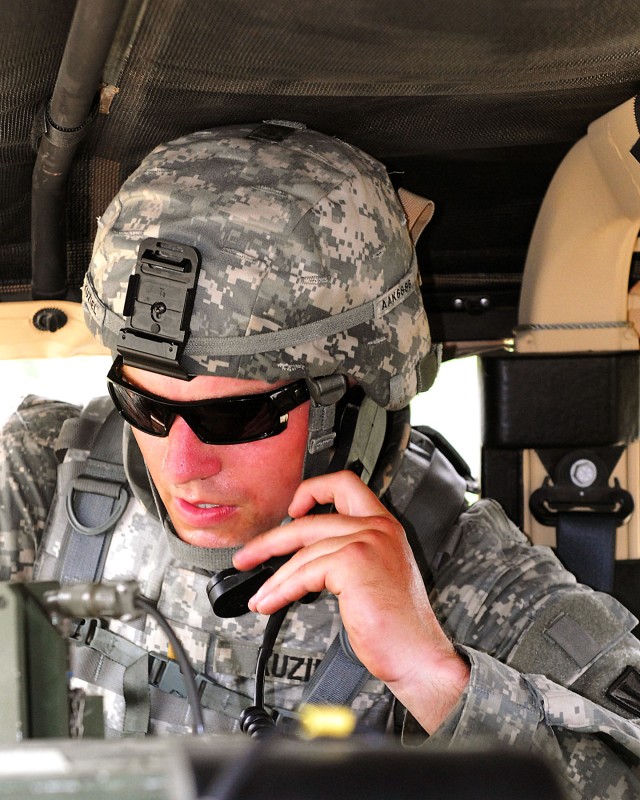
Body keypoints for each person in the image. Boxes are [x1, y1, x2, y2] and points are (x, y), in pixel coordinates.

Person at [1, 120, 640, 796]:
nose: (183, 463)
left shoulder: (471, 579)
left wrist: (433, 675)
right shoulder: (42, 482)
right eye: (145, 406)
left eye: (232, 416)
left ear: (354, 404)